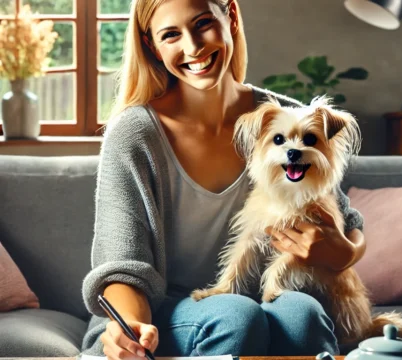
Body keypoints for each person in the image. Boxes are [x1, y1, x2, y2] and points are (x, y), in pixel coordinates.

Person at [81, 0, 366, 358]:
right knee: (235, 315)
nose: (193, 47)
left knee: (303, 315)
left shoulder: (286, 120)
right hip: (160, 312)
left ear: (230, 16)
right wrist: (133, 329)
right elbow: (121, 264)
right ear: (152, 46)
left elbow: (347, 224)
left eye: (202, 24)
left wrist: (344, 253)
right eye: (171, 35)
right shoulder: (135, 134)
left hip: (264, 299)